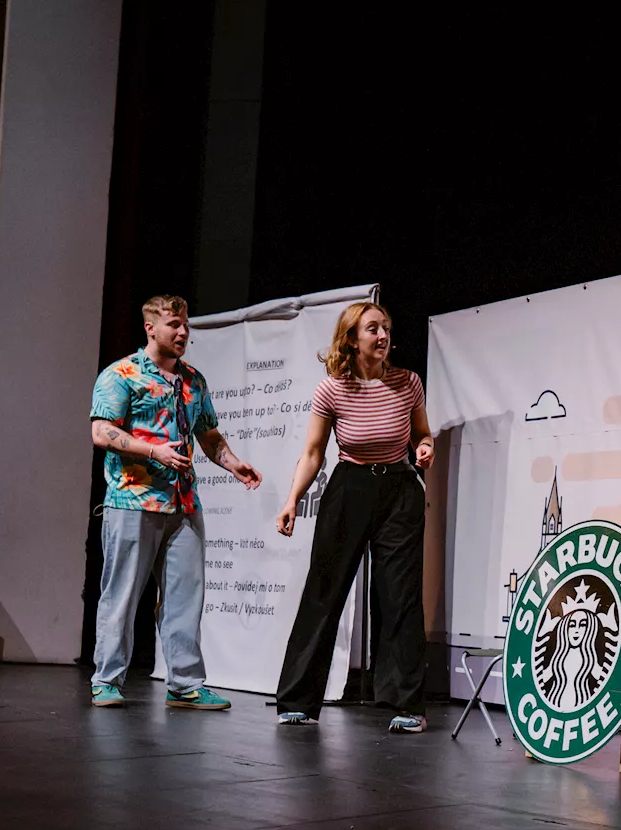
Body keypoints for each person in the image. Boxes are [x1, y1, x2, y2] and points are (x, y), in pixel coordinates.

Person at [87, 294, 262, 708]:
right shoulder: (122, 374)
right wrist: (154, 451)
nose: (183, 332)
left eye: (185, 325)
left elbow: (209, 435)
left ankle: (184, 683)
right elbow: (101, 432)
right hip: (133, 500)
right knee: (121, 594)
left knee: (185, 597)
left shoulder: (193, 381)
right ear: (151, 328)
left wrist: (233, 464)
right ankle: (106, 679)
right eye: (173, 325)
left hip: (183, 504)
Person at [273, 300, 433, 732]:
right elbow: (313, 453)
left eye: (386, 328)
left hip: (399, 490)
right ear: (352, 338)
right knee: (324, 591)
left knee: (400, 596)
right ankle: (298, 700)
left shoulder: (408, 382)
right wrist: (292, 500)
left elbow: (422, 434)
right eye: (372, 329)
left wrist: (424, 448)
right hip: (349, 487)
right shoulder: (332, 389)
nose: (382, 336)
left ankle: (407, 705)